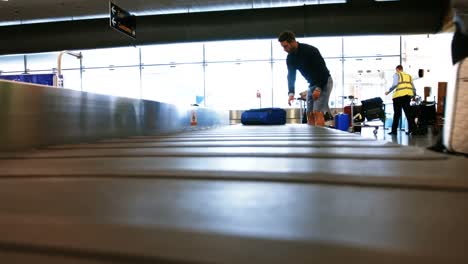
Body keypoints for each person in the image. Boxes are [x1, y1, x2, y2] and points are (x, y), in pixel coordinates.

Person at [278, 31, 333, 126]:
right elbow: (291, 76)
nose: (284, 49)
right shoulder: (290, 58)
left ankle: (320, 139)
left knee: (317, 112)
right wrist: (291, 93)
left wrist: (319, 88)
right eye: (283, 47)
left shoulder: (311, 51)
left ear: (292, 42)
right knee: (309, 113)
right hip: (312, 84)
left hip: (324, 81)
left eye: (285, 46)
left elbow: (322, 71)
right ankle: (311, 138)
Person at [385, 65, 417, 135]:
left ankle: (394, 131)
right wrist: (414, 95)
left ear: (397, 69)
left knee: (397, 114)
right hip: (407, 96)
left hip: (398, 97)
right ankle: (412, 130)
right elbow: (413, 87)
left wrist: (388, 91)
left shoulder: (397, 74)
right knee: (408, 114)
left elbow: (395, 84)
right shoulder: (409, 76)